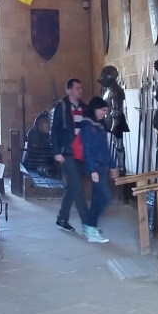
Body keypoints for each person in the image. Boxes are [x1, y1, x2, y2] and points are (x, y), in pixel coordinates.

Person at [51, 78, 89, 233]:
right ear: (69, 90)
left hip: (81, 153)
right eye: (77, 88)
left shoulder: (85, 108)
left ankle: (62, 219)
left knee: (72, 187)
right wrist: (56, 152)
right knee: (78, 188)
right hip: (67, 153)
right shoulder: (61, 107)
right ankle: (88, 224)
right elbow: (54, 131)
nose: (80, 91)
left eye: (81, 88)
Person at [80, 97, 119, 243]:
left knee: (97, 199)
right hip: (95, 167)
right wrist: (92, 170)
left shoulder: (100, 125)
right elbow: (87, 150)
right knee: (106, 197)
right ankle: (89, 226)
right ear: (95, 109)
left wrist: (112, 165)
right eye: (103, 110)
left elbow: (105, 149)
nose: (105, 113)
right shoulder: (87, 126)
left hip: (102, 167)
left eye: (106, 110)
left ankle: (90, 228)